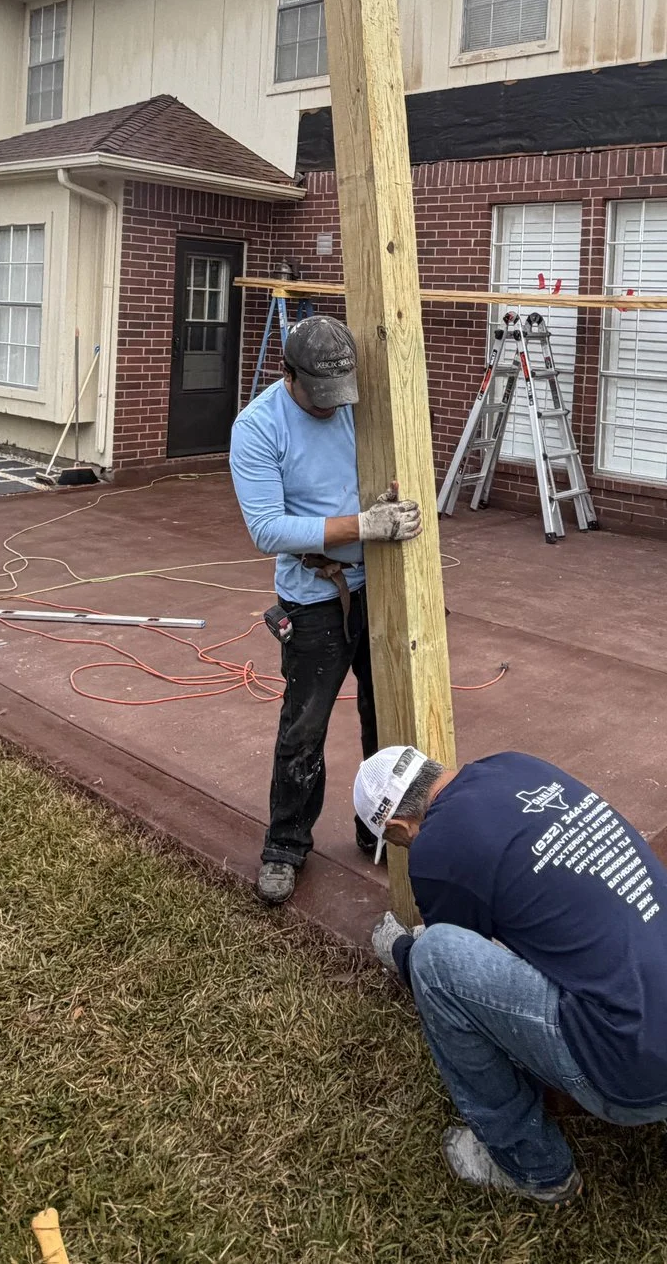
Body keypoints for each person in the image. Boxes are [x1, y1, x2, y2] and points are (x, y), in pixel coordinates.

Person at [353, 744, 667, 1239]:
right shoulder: (515, 765)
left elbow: (459, 959)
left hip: (628, 1078)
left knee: (435, 959)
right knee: (624, 981)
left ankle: (533, 1168)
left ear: (399, 829)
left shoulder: (434, 849)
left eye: (398, 844)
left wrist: (403, 951)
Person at [228, 313, 422, 906]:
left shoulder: (354, 402)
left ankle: (379, 831)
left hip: (379, 584)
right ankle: (286, 845)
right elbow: (266, 529)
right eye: (319, 395)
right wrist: (361, 526)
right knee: (304, 727)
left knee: (385, 716)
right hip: (314, 594)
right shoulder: (259, 427)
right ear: (288, 375)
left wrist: (392, 500)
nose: (332, 406)